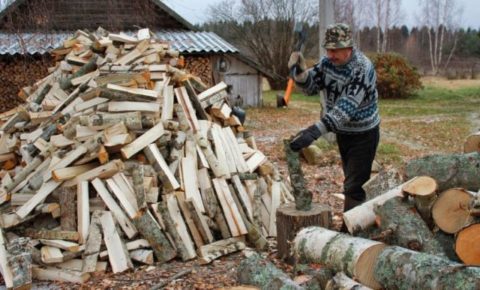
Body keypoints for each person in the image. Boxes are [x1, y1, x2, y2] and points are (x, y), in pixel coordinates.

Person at [288, 23, 380, 220]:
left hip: (364, 134)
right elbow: (311, 88)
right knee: (351, 179)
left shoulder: (362, 68)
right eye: (328, 50)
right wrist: (301, 73)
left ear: (348, 47)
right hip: (344, 133)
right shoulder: (328, 63)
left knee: (355, 186)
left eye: (335, 50)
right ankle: (360, 221)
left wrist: (314, 132)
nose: (330, 55)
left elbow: (344, 109)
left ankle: (351, 231)